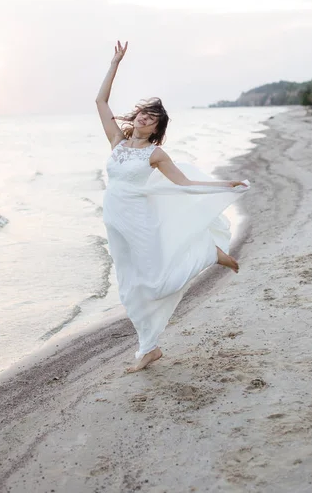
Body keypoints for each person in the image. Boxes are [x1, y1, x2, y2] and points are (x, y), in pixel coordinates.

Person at [96, 41, 249, 373]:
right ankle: (148, 349)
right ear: (135, 117)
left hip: (139, 220)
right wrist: (114, 64)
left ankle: (210, 253)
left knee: (156, 282)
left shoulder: (155, 155)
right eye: (142, 113)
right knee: (129, 284)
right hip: (114, 220)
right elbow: (100, 100)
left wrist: (225, 185)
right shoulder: (117, 142)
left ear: (155, 129)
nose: (144, 118)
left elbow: (185, 185)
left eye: (151, 118)